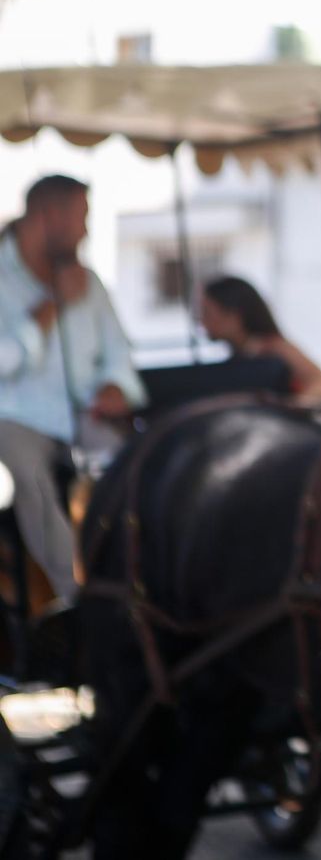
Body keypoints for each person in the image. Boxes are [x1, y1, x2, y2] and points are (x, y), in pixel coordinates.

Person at [0, 175, 146, 605]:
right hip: (14, 418)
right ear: (47, 216)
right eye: (81, 218)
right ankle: (83, 600)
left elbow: (120, 353)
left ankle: (143, 583)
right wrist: (48, 309)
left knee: (135, 467)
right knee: (29, 481)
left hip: (83, 416)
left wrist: (116, 386)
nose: (85, 232)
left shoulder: (90, 284)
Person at [197, 275, 321, 402]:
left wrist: (292, 409)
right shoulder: (240, 356)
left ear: (234, 315)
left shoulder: (274, 348)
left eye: (207, 313)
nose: (201, 321)